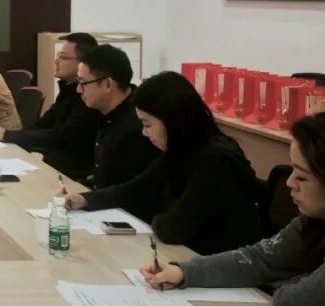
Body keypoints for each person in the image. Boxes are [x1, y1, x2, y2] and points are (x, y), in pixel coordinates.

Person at [143, 113, 325, 306]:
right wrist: (185, 272)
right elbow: (259, 259)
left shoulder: (215, 159)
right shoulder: (313, 223)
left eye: (302, 176)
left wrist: (293, 280)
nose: (289, 183)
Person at [64, 70, 264, 256]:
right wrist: (85, 199)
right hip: (189, 256)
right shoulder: (182, 149)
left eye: (147, 124)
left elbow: (174, 229)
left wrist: (154, 216)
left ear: (173, 121)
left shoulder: (215, 160)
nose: (144, 133)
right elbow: (138, 189)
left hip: (221, 264)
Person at [0, 32, 101, 178]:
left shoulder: (89, 98)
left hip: (72, 173)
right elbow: (42, 124)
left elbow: (63, 136)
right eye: (57, 55)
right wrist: (11, 136)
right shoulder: (67, 90)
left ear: (83, 63)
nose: (55, 61)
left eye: (63, 57)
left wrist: (10, 136)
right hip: (53, 166)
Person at [75, 44, 160, 189]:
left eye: (83, 83)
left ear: (108, 84)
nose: (78, 89)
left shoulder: (138, 126)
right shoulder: (104, 111)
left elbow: (131, 190)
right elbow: (104, 177)